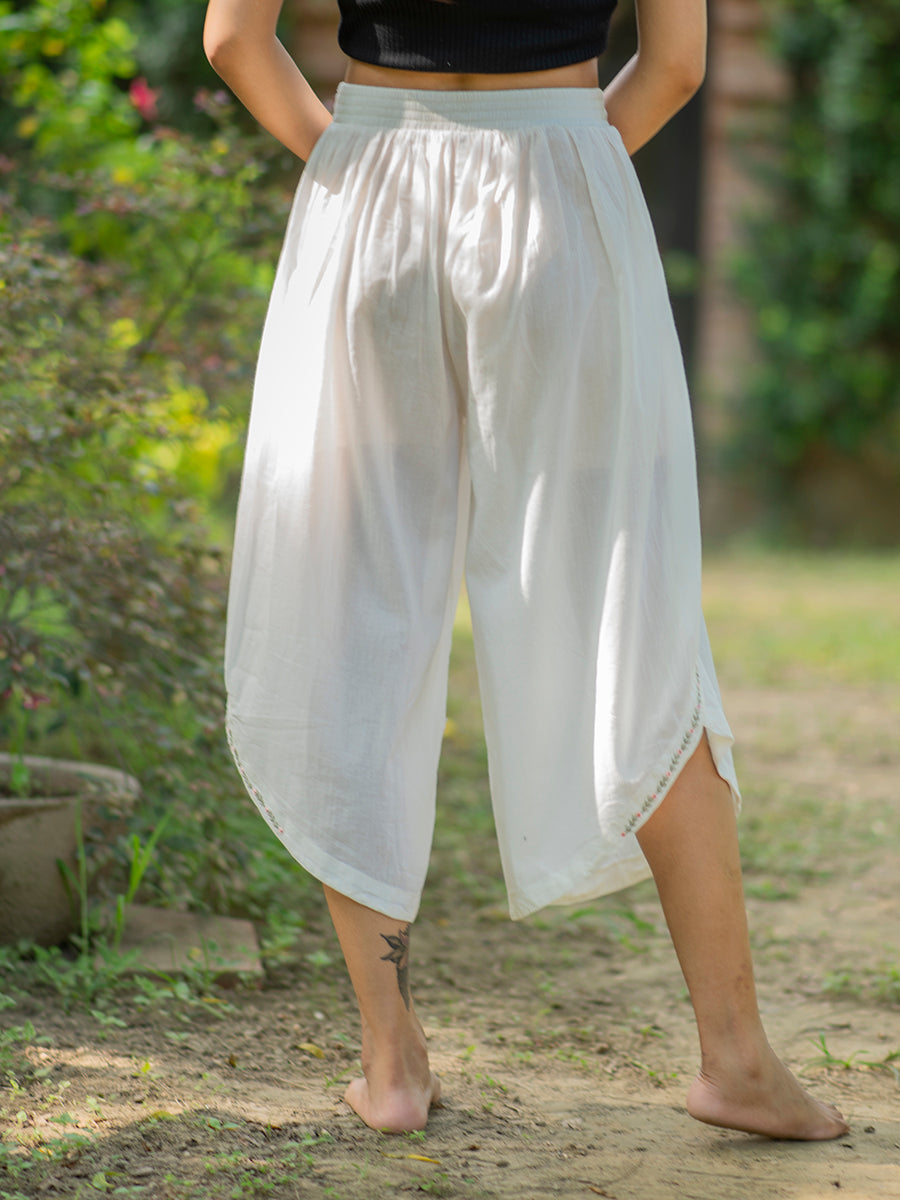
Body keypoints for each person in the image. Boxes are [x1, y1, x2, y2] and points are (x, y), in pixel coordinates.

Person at [202, 0, 849, 1140]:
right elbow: (677, 63)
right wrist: (557, 158)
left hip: (370, 194)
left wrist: (359, 165)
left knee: (354, 617)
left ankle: (390, 1065)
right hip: (559, 182)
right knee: (631, 616)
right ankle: (736, 1060)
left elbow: (232, 42)